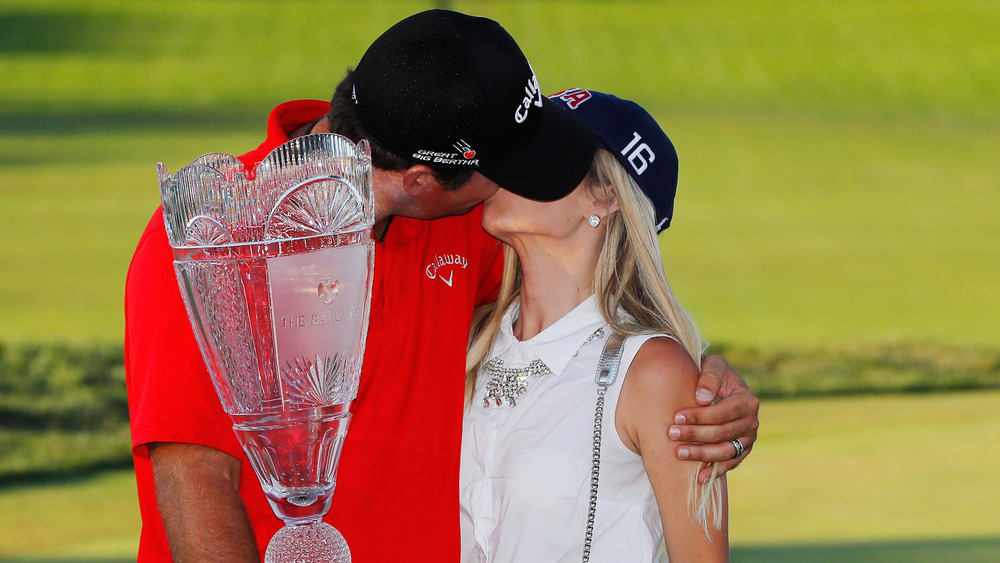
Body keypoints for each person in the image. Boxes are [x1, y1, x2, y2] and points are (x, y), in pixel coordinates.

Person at [125, 10, 757, 562]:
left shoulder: (469, 227)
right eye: (502, 167)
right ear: (422, 180)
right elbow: (193, 479)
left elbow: (590, 297)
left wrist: (706, 387)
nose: (518, 182)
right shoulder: (207, 233)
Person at [461, 90, 729, 561]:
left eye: (539, 146)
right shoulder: (465, 339)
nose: (506, 161)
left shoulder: (655, 373)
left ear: (606, 196)